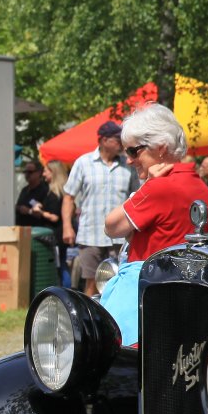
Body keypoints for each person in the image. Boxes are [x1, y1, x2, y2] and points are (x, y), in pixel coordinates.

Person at [98, 104, 208, 346]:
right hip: (182, 296)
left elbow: (111, 226)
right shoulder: (199, 185)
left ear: (161, 148)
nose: (129, 160)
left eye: (134, 151)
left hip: (145, 299)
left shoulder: (159, 187)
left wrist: (146, 186)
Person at [62, 120, 137, 296]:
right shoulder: (83, 163)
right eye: (117, 140)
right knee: (91, 283)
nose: (121, 143)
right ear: (104, 140)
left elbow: (136, 197)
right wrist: (67, 227)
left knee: (121, 281)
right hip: (91, 235)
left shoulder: (128, 165)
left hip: (121, 236)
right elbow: (68, 197)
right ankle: (91, 314)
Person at [14, 160, 58, 229]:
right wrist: (19, 208)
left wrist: (29, 211)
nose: (27, 174)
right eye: (25, 172)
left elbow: (46, 213)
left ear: (39, 173)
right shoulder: (25, 190)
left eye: (30, 172)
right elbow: (18, 205)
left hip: (37, 229)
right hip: (21, 228)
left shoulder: (45, 191)